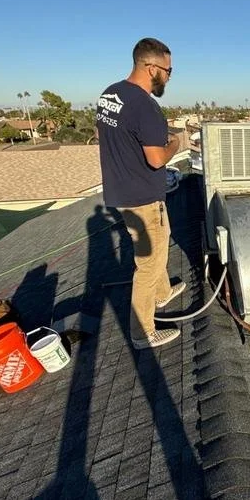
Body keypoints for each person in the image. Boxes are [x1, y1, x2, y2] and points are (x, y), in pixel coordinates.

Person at [96, 37, 188, 349]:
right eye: (168, 70)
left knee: (160, 245)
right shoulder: (146, 107)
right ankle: (142, 332)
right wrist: (178, 142)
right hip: (144, 198)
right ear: (151, 68)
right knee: (148, 264)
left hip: (121, 192)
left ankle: (162, 294)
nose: (170, 76)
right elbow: (157, 158)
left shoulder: (111, 94)